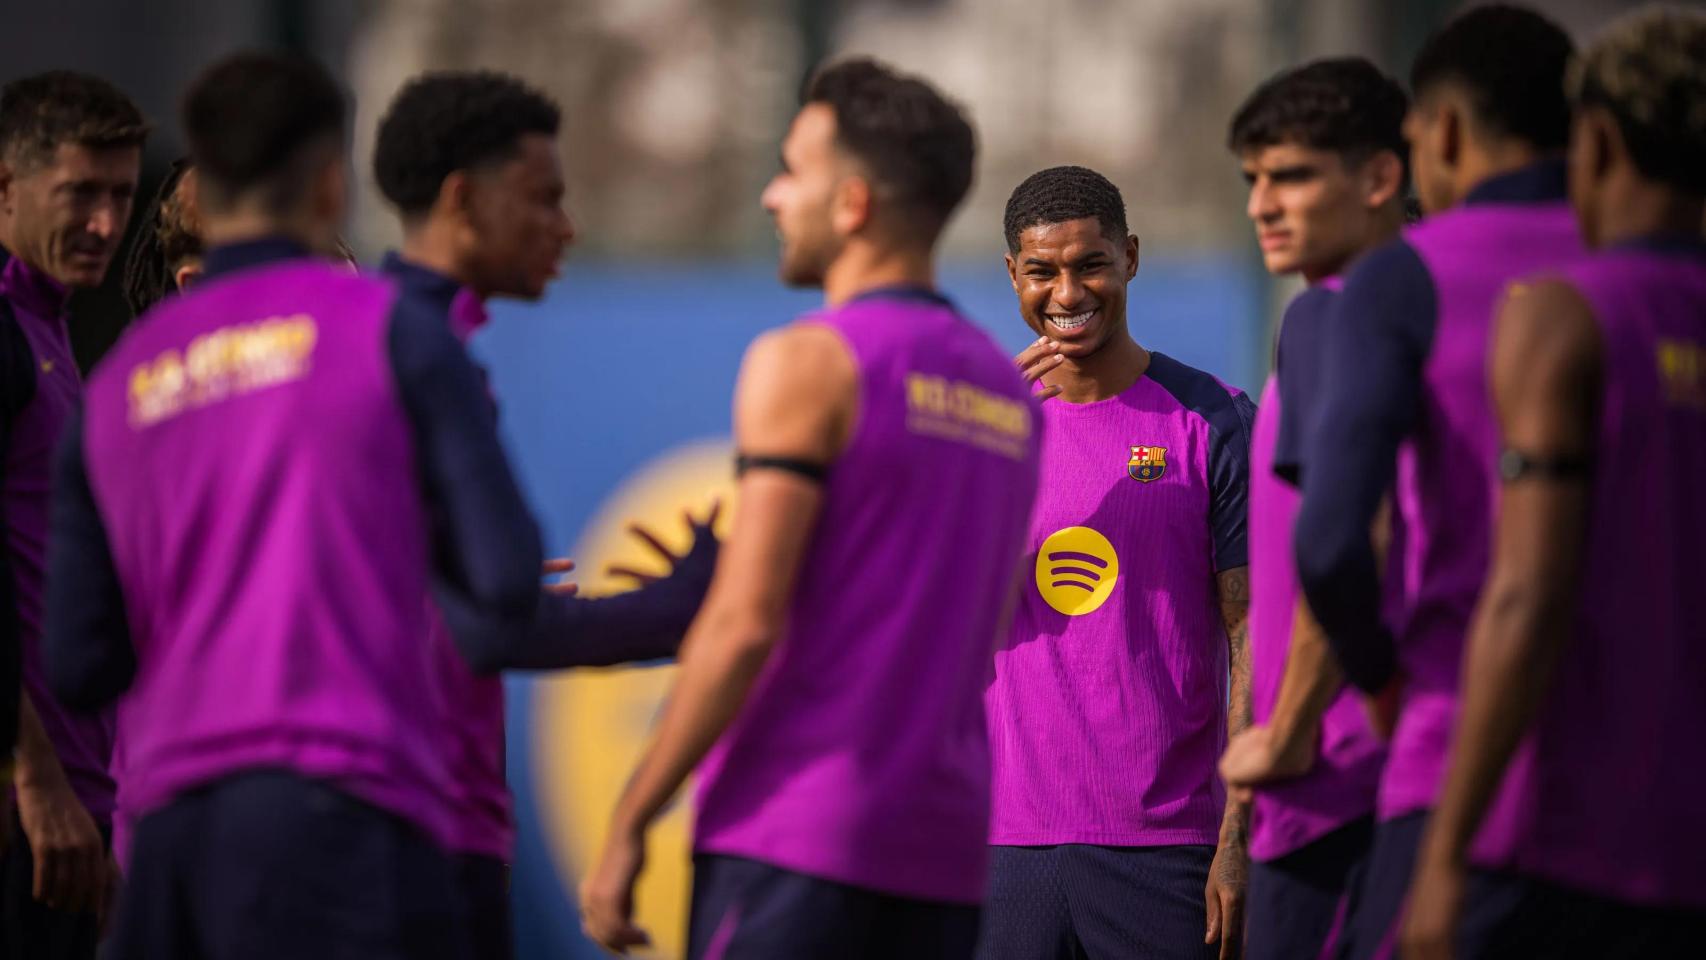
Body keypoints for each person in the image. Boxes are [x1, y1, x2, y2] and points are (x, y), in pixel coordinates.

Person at [42, 51, 542, 959]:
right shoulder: (397, 335)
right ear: (325, 182)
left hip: (167, 846)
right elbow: (505, 581)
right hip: (353, 822)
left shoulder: (114, 393)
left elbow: (77, 660)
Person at [578, 57, 1041, 960]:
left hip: (793, 839)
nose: (770, 196)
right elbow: (978, 637)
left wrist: (635, 813)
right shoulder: (1006, 393)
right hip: (944, 854)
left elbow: (747, 623)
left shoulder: (809, 362)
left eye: (793, 169)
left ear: (853, 203)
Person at [371, 69, 719, 959]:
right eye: (542, 198)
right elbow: (493, 618)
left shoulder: (410, 342)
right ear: (463, 199)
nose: (565, 227)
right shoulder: (415, 352)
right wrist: (675, 607)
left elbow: (459, 610)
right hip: (414, 821)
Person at [1402, 9, 1706, 958]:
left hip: (1565, 843)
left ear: (1600, 141)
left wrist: (1445, 855)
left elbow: (1527, 598)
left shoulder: (1564, 317)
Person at [1289, 6, 1580, 957]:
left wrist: (1379, 679)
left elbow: (1331, 543)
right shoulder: (1649, 271)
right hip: (1651, 777)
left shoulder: (1404, 275)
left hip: (1455, 751)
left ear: (1444, 133)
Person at [989, 164, 1255, 960]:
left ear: (1130, 257)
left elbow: (1254, 636)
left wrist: (1238, 835)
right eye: (1042, 271)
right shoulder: (978, 427)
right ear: (1013, 274)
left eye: (1090, 264)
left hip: (1167, 847)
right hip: (998, 850)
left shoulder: (1213, 419)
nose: (1067, 293)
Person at [1216, 56, 1407, 960]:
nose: (1261, 204)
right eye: (1253, 179)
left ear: (1380, 177)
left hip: (1338, 785)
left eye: (1290, 176)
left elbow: (1345, 544)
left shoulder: (1335, 316)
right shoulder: (1376, 311)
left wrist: (1287, 735)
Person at [0, 68, 146, 958]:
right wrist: (36, 776)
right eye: (78, 193)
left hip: (80, 816)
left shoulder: (54, 330)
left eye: (121, 195)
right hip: (31, 816)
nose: (104, 223)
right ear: (5, 186)